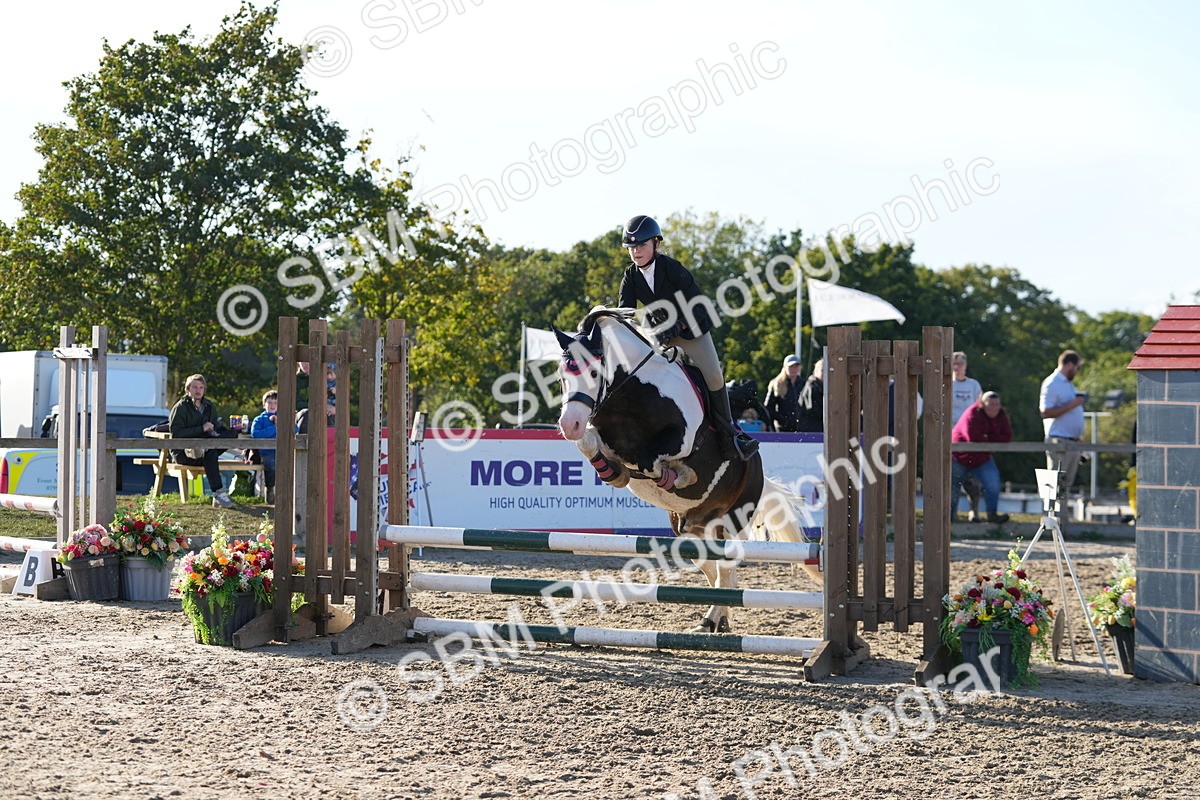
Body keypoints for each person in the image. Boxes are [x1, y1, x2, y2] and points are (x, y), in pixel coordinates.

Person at [617, 214, 757, 461]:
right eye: (632, 247)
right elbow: (625, 314)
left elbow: (699, 305)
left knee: (714, 376)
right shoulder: (630, 276)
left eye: (641, 245)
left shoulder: (672, 268)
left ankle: (729, 435)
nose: (636, 251)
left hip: (691, 330)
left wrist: (679, 325)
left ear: (656, 244)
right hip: (658, 334)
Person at [168, 373, 234, 508]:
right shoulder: (180, 407)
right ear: (187, 389)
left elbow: (214, 425)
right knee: (210, 452)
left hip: (206, 448)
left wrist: (214, 431)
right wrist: (202, 428)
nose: (198, 390)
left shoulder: (209, 406)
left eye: (201, 387)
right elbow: (176, 434)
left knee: (231, 434)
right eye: (194, 387)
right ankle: (219, 493)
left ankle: (219, 494)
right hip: (184, 453)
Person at [950, 391, 1012, 524]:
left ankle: (992, 515)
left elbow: (1007, 436)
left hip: (981, 458)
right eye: (990, 405)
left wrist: (987, 437)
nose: (994, 408)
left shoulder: (1001, 415)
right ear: (982, 404)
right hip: (959, 456)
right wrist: (991, 438)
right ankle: (948, 518)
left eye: (997, 405)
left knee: (993, 483)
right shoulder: (972, 413)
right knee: (953, 487)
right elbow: (973, 438)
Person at [1039, 349, 1087, 491]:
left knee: (1064, 486)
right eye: (1077, 367)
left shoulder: (1067, 384)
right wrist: (1073, 404)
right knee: (1054, 486)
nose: (1077, 371)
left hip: (1071, 442)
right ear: (1070, 364)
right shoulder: (1052, 383)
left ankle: (1061, 514)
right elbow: (1045, 412)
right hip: (1058, 441)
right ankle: (1049, 513)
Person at [950, 351, 984, 520]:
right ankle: (951, 514)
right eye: (954, 364)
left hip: (970, 436)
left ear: (965, 366)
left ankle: (974, 511)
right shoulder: (947, 384)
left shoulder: (973, 385)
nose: (957, 367)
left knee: (973, 478)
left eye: (960, 364)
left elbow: (980, 407)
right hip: (951, 435)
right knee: (953, 477)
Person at [249, 390, 278, 505]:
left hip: (283, 450)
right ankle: (269, 488)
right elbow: (256, 434)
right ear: (263, 404)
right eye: (269, 402)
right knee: (271, 463)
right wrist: (275, 428)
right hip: (267, 451)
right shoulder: (259, 419)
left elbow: (294, 429)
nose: (272, 405)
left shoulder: (284, 417)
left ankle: (287, 492)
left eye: (275, 402)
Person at [765, 355, 803, 432]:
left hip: (800, 427)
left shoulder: (803, 384)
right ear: (785, 367)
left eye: (796, 366)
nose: (794, 369)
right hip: (782, 428)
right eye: (791, 366)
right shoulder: (777, 384)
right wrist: (782, 419)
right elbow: (768, 407)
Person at [795, 359, 825, 433]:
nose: (825, 373)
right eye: (822, 370)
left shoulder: (823, 387)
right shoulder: (812, 386)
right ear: (816, 371)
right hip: (811, 431)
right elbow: (812, 410)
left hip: (819, 429)